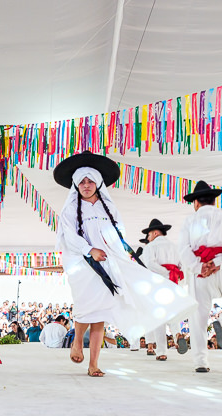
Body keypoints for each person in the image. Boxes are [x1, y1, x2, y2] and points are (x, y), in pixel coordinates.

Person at [54, 151, 194, 377]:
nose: (86, 185)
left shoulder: (108, 208)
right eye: (82, 181)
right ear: (76, 184)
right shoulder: (70, 208)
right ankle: (77, 340)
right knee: (84, 307)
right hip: (82, 264)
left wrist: (117, 253)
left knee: (100, 313)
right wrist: (90, 250)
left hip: (107, 263)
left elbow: (117, 233)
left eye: (90, 181)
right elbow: (69, 236)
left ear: (98, 183)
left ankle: (94, 364)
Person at [179, 180, 222, 372]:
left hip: (201, 274)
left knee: (198, 317)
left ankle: (201, 362)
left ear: (196, 203)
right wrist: (219, 261)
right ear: (213, 201)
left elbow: (183, 250)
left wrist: (200, 267)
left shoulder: (189, 221)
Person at [139, 218, 188, 361]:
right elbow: (182, 266)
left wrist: (166, 274)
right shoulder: (175, 246)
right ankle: (177, 334)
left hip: (158, 283)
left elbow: (150, 264)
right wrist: (176, 278)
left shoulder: (150, 247)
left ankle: (161, 351)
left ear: (154, 233)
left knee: (158, 317)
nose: (148, 238)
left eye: (149, 234)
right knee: (172, 313)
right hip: (174, 282)